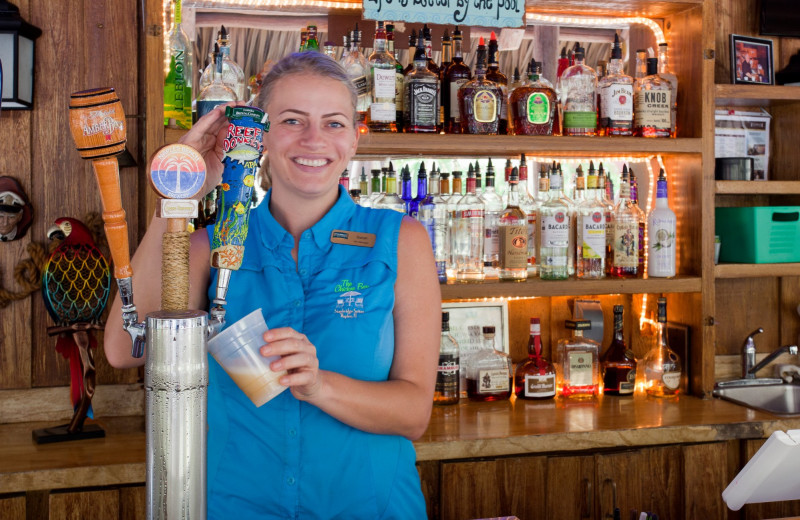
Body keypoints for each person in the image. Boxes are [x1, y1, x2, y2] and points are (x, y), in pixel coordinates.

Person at [105, 52, 441, 518]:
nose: (314, 140)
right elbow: (125, 348)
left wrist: (319, 385)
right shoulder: (209, 244)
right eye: (292, 120)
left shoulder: (400, 241)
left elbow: (414, 413)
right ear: (260, 135)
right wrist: (180, 189)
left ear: (355, 140)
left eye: (334, 123)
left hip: (369, 505)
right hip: (238, 506)